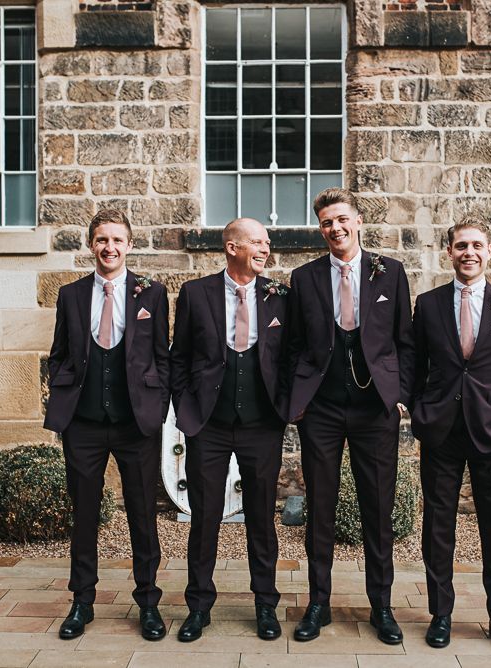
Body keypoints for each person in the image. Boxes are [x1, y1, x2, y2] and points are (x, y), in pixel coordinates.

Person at [286, 187, 415, 644]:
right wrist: (297, 402)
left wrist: (401, 394)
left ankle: (381, 605)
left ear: (358, 221)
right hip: (320, 408)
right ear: (320, 229)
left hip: (374, 408)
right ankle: (317, 603)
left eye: (342, 219)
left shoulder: (391, 273)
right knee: (319, 507)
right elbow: (294, 345)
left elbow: (404, 341)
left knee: (377, 509)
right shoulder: (303, 278)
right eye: (326, 223)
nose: (335, 228)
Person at [410, 217, 491, 653]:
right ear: (449, 251)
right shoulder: (427, 305)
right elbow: (413, 367)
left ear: (489, 252)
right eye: (461, 245)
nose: (469, 252)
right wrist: (420, 411)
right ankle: (441, 615)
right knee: (438, 527)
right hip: (441, 434)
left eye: (477, 245)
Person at [44, 208, 170, 642]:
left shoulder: (152, 293)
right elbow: (59, 353)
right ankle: (82, 601)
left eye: (117, 240)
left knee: (142, 513)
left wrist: (158, 404)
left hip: (137, 423)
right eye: (101, 240)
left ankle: (149, 603)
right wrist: (61, 394)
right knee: (84, 515)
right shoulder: (71, 295)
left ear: (129, 245)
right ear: (91, 244)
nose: (109, 248)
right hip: (84, 424)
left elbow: (161, 356)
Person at [170, 218, 288, 642]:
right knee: (204, 518)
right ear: (232, 246)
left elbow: (291, 357)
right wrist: (186, 410)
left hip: (262, 425)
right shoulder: (195, 294)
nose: (265, 248)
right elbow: (178, 357)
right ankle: (198, 606)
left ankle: (266, 605)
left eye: (267, 242)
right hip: (209, 426)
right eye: (257, 241)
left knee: (261, 518)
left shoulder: (279, 296)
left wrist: (285, 407)